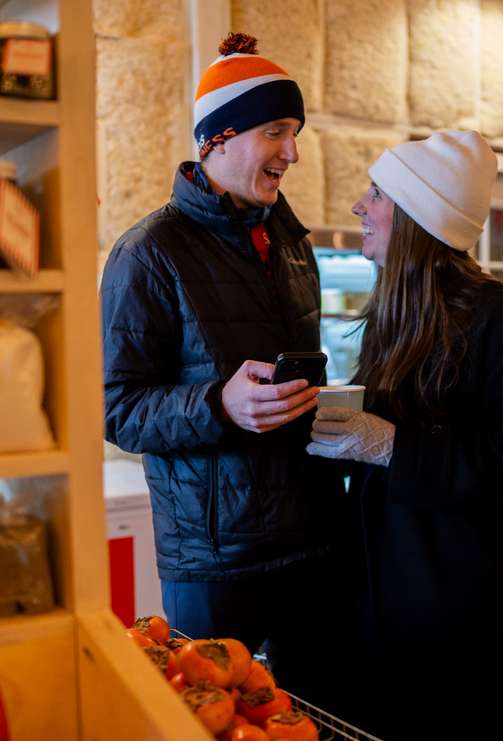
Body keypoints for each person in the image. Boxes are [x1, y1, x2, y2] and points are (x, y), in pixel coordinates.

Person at [306, 130, 503, 741]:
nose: (360, 207)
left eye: (377, 195)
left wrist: (390, 446)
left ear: (418, 217)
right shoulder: (393, 321)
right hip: (403, 624)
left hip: (479, 634)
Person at [100, 33, 343, 672]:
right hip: (214, 561)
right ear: (218, 139)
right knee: (214, 740)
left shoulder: (293, 244)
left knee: (315, 735)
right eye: (275, 131)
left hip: (311, 536)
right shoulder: (147, 253)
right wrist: (219, 405)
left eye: (295, 133)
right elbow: (117, 408)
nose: (292, 152)